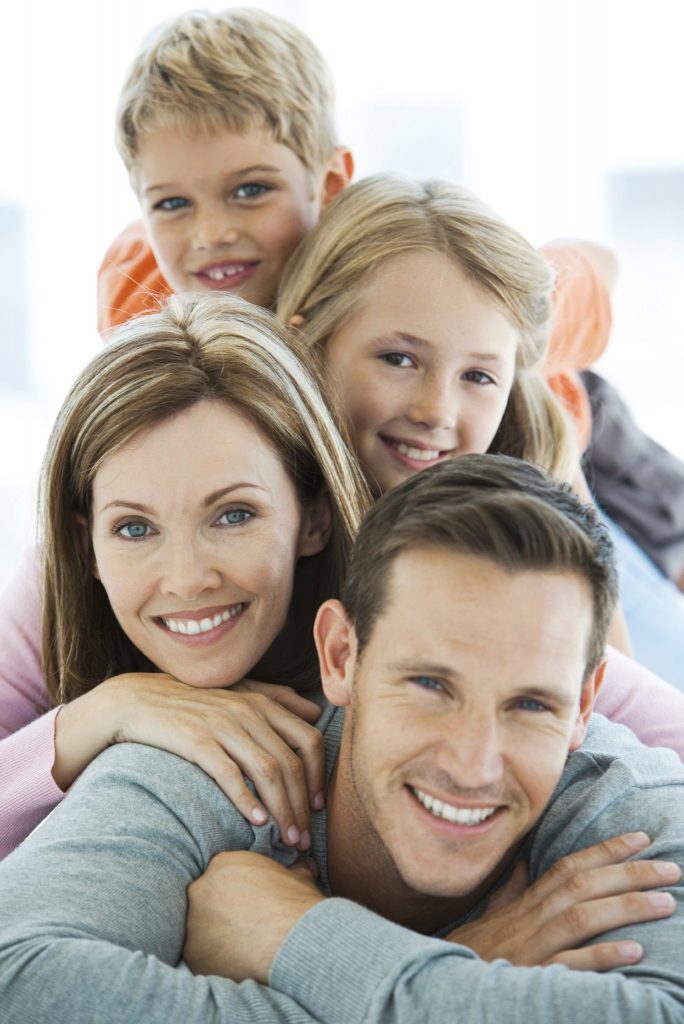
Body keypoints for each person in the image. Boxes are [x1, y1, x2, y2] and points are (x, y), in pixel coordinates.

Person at [1, 455, 683, 1024]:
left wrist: (303, 939)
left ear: (584, 704)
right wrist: (467, 974)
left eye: (531, 704)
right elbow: (20, 982)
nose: (472, 764)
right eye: (429, 686)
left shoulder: (636, 820)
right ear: (340, 656)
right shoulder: (211, 763)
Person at [0, 293, 370, 860]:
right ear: (87, 545)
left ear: (313, 521)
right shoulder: (45, 597)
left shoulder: (387, 637)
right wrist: (104, 712)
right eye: (133, 528)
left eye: (234, 515)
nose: (187, 579)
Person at [276, 173, 684, 686]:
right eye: (398, 359)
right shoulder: (248, 447)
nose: (436, 410)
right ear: (308, 343)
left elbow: (617, 704)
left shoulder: (537, 444)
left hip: (613, 459)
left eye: (477, 375)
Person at [97, 7, 352, 334]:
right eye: (173, 203)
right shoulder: (135, 296)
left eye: (250, 190)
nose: (212, 235)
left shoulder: (381, 315)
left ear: (331, 183)